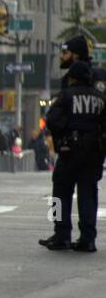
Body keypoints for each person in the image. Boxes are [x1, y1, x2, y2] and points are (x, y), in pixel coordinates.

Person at [40, 60, 105, 252]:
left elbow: (52, 119)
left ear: (73, 78)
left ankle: (61, 235)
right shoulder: (100, 98)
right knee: (88, 194)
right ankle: (88, 238)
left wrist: (63, 136)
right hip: (93, 153)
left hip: (70, 151)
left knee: (59, 193)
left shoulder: (67, 95)